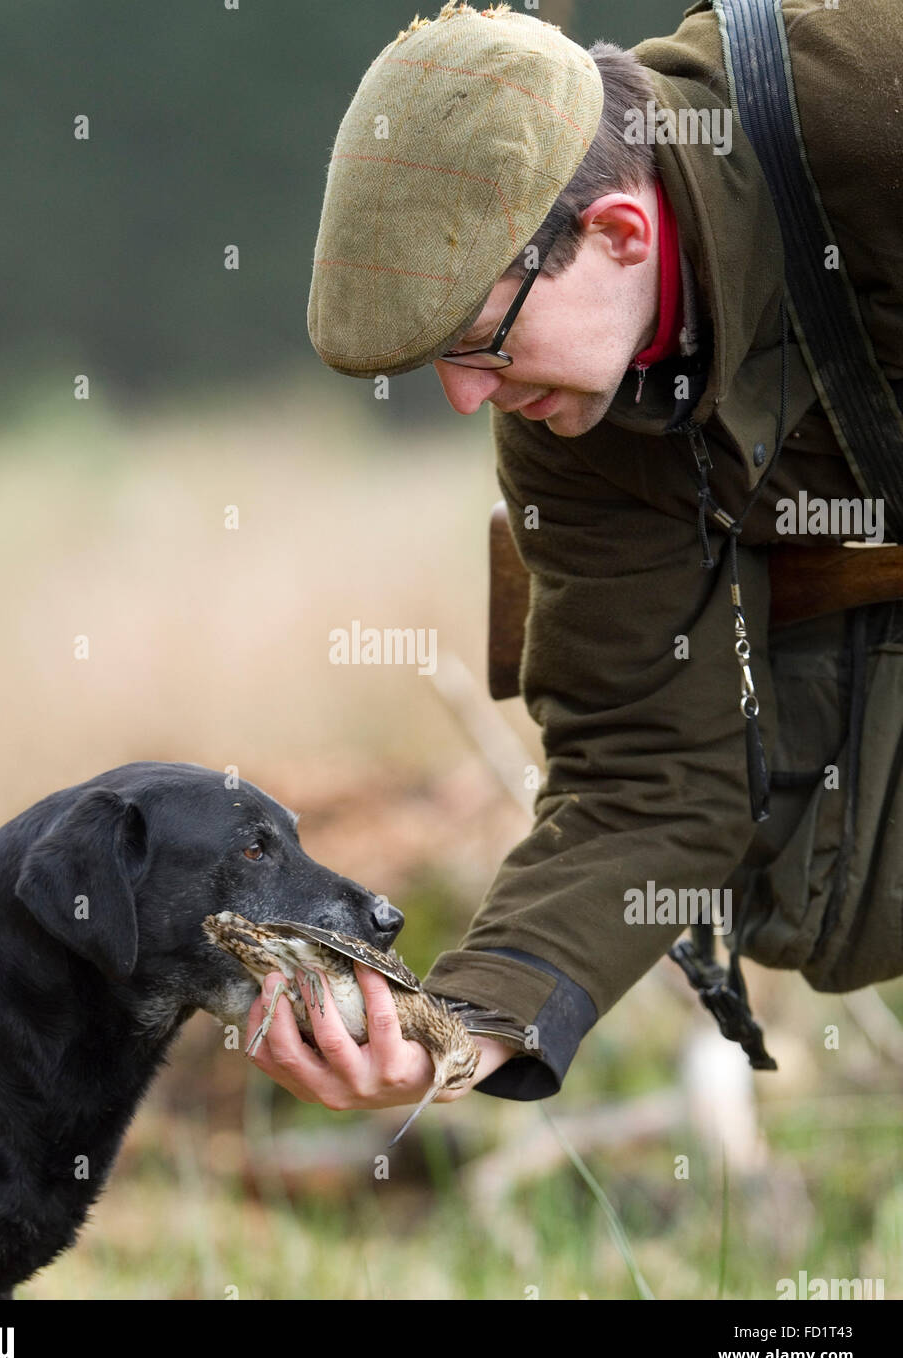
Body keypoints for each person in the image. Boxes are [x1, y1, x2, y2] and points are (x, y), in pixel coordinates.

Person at [246, 0, 903, 1116]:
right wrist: (456, 1027)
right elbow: (648, 779)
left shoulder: (868, 109)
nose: (465, 398)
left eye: (478, 341)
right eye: (433, 366)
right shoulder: (577, 420)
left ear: (619, 235)